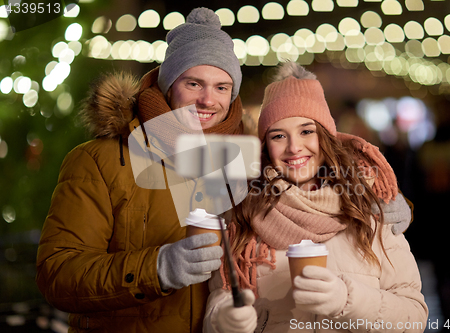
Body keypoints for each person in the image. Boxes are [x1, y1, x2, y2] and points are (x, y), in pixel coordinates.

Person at [35, 7, 243, 333]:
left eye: (221, 87)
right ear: (168, 85)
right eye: (193, 83)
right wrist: (156, 268)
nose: (207, 100)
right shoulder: (99, 161)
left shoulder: (243, 166)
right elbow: (58, 274)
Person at [204, 62, 428, 333]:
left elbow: (415, 316)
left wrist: (346, 299)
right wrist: (222, 320)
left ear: (325, 137)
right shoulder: (243, 213)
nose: (294, 147)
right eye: (278, 136)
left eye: (306, 131)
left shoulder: (368, 209)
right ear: (265, 148)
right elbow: (220, 298)